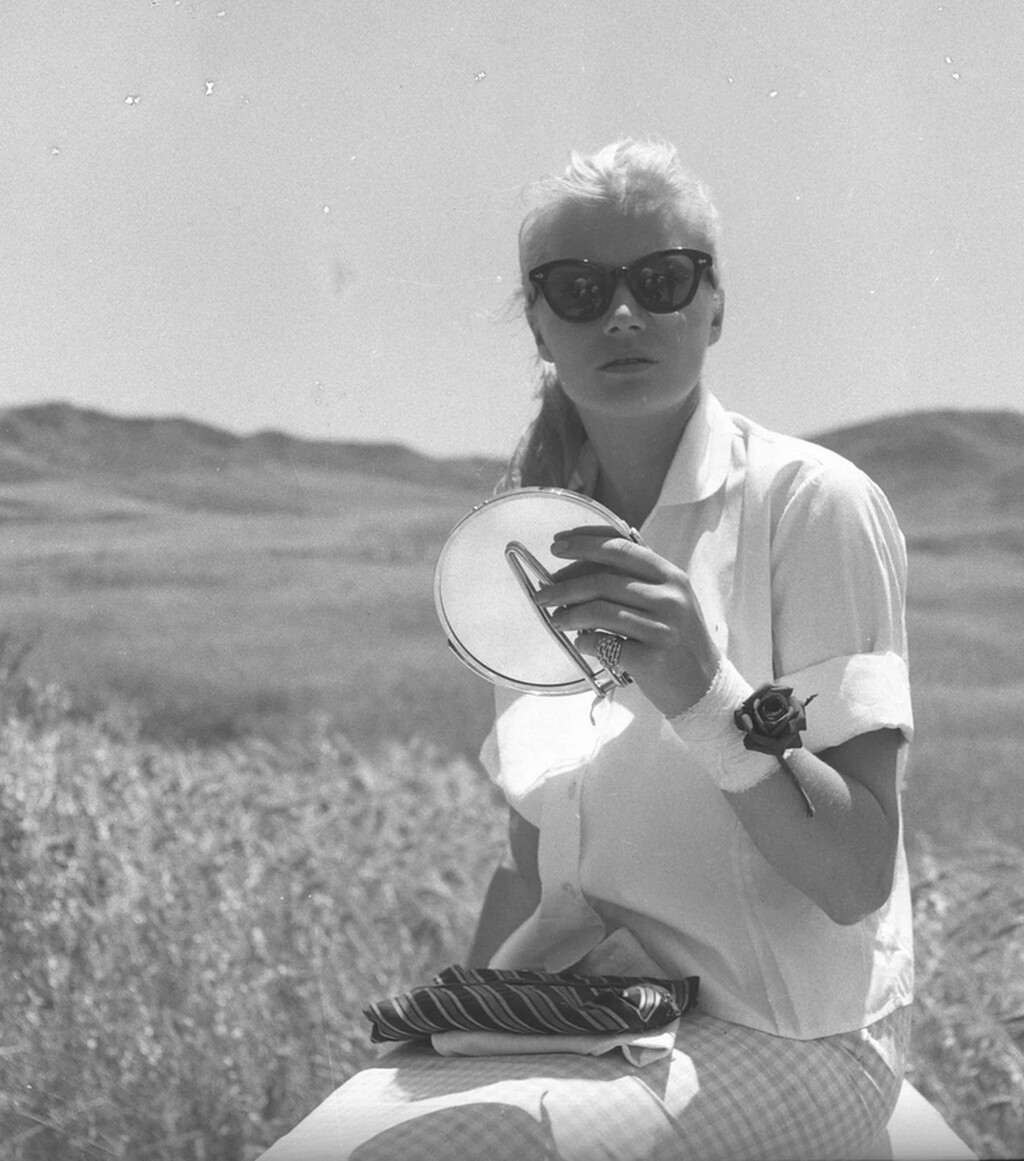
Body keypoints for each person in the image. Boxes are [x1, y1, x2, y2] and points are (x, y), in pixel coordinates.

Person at [260, 138, 915, 1161]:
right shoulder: (522, 550)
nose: (621, 314)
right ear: (539, 324)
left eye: (661, 281)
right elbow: (532, 873)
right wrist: (451, 1034)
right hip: (588, 1016)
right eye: (578, 288)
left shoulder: (809, 505)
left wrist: (704, 692)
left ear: (714, 306)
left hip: (791, 1031)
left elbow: (855, 875)